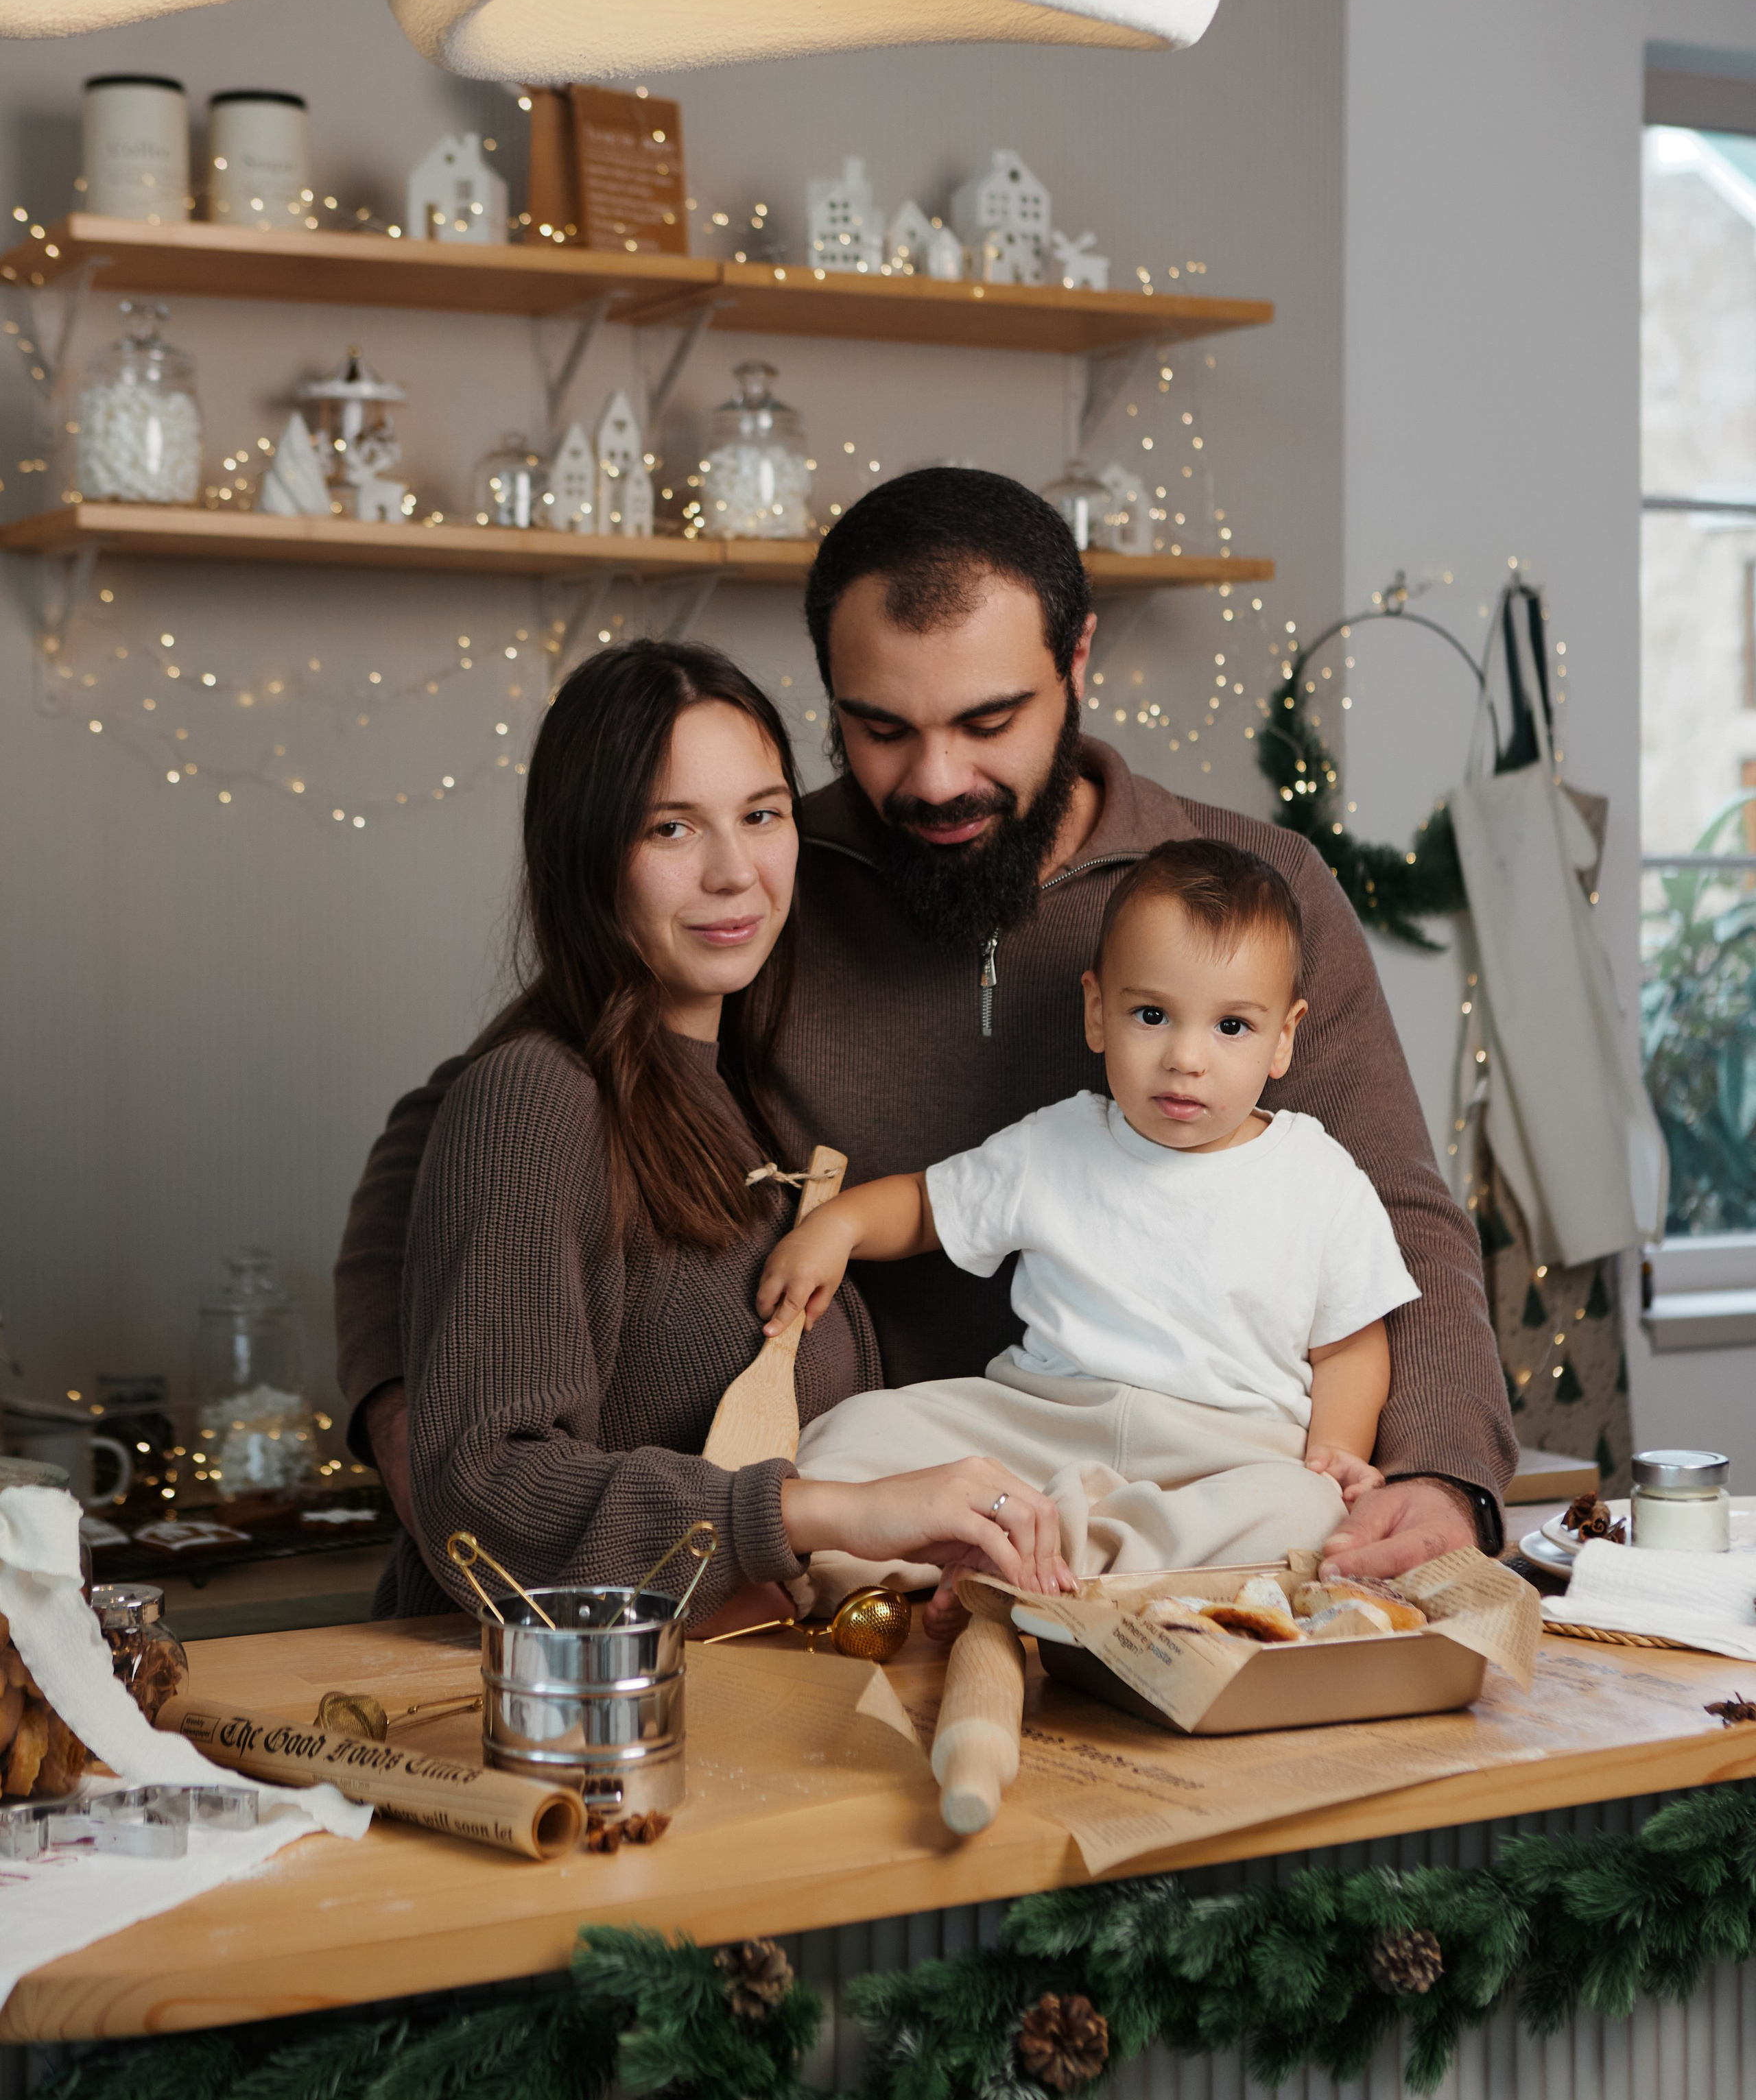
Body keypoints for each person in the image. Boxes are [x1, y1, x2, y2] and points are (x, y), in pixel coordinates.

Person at [337, 470, 1516, 1584]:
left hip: (1195, 1477)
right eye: (882, 729)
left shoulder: (1257, 891)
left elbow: (1401, 1218)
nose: (937, 779)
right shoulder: (760, 878)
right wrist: (424, 1433)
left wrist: (1442, 1471)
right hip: (895, 1514)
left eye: (989, 719)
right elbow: (473, 1122)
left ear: (1078, 660)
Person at [382, 637, 1067, 1620]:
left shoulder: (745, 1092)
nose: (734, 871)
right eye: (670, 829)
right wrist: (825, 1512)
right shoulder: (533, 1097)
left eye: (762, 815)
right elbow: (484, 1489)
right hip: (577, 1724)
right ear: (585, 855)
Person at [761, 837, 1422, 1613]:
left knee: (1304, 1511)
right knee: (855, 1434)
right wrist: (835, 1228)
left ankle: (1062, 1559)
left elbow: (1348, 1341)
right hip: (1039, 1423)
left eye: (1232, 1028)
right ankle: (961, 1552)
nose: (1186, 1058)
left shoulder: (1317, 1176)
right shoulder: (1057, 1143)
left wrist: (1335, 1451)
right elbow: (926, 1205)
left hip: (1219, 1453)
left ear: (1284, 1036)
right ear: (1096, 1012)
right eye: (1151, 1015)